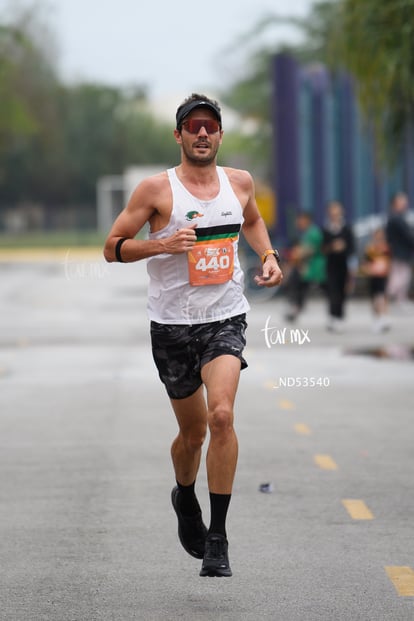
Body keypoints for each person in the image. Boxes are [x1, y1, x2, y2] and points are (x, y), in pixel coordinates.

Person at [103, 93, 283, 578]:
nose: (202, 133)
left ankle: (219, 538)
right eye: (193, 126)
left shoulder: (239, 183)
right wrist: (160, 243)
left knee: (222, 415)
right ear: (179, 135)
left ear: (220, 135)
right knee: (193, 432)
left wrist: (268, 257)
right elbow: (111, 248)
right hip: (172, 325)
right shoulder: (155, 191)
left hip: (225, 317)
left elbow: (252, 221)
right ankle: (184, 496)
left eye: (210, 126)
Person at [283, 211, 326, 322]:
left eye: (300, 220)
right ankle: (296, 308)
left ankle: (296, 308)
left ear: (306, 220)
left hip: (314, 266)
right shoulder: (307, 233)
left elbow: (310, 250)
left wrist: (296, 254)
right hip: (307, 266)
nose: (298, 222)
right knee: (298, 285)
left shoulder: (313, 233)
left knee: (298, 283)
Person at [322, 201, 356, 332]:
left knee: (342, 291)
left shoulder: (347, 228)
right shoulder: (326, 230)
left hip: (343, 265)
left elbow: (352, 248)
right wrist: (332, 247)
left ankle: (340, 316)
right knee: (332, 291)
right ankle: (332, 316)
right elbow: (322, 249)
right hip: (331, 265)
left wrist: (344, 247)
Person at [385, 192, 414, 309]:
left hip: (402, 252)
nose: (405, 203)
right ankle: (386, 296)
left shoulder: (399, 217)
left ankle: (400, 299)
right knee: (401, 276)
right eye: (402, 201)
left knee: (403, 276)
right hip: (399, 252)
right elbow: (407, 236)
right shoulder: (395, 218)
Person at [361, 228, 391, 332]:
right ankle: (377, 318)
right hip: (373, 275)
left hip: (383, 275)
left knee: (382, 297)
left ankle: (383, 317)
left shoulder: (386, 247)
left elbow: (390, 261)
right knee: (374, 298)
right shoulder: (371, 248)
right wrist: (367, 269)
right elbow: (366, 262)